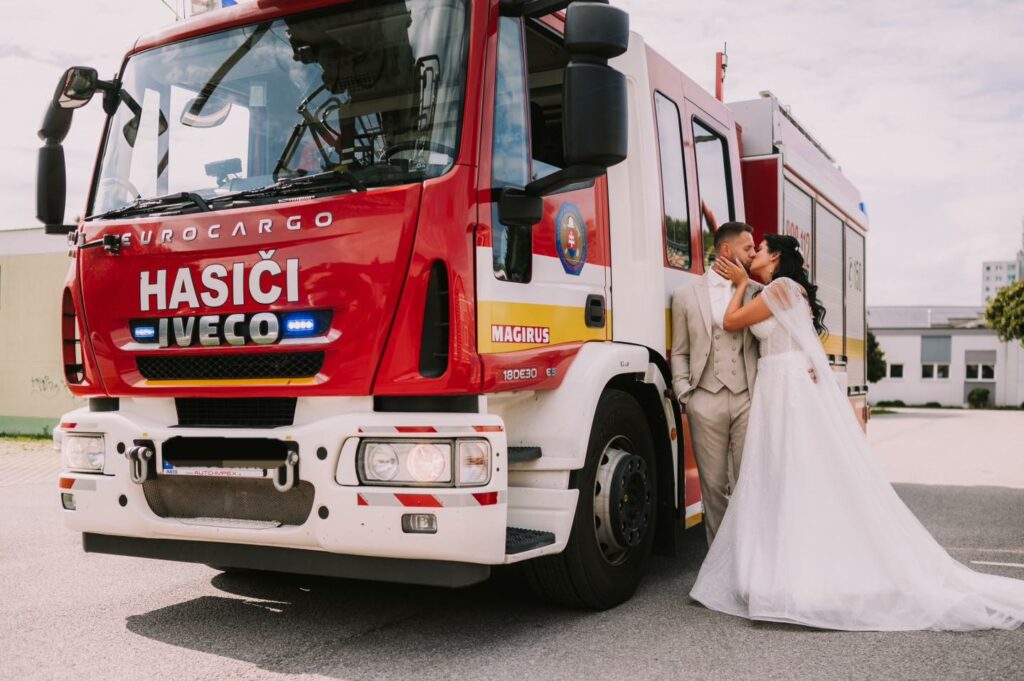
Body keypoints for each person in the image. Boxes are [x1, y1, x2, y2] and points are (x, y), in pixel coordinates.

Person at [689, 233, 1024, 631]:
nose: (753, 255)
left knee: (788, 480)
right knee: (783, 480)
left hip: (785, 388)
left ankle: (791, 580)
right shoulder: (783, 288)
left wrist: (741, 285)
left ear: (775, 256)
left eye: (759, 249)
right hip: (782, 384)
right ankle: (779, 575)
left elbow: (730, 322)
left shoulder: (778, 287)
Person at [670, 222, 761, 548]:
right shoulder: (684, 296)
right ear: (726, 250)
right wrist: (685, 394)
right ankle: (719, 570)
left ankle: (750, 564)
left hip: (747, 400)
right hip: (704, 400)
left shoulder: (756, 292)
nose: (753, 253)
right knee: (713, 487)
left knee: (748, 483)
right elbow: (680, 352)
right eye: (748, 248)